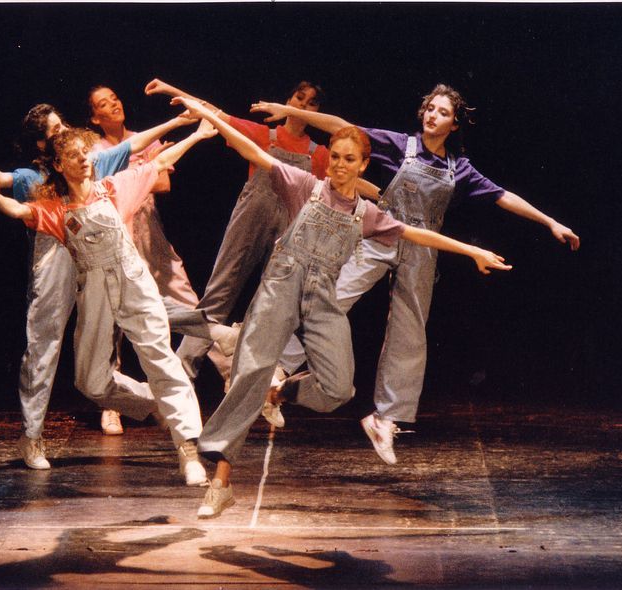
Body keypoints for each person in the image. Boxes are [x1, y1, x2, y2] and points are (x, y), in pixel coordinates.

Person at [173, 97, 511, 518]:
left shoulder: (369, 214)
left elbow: (416, 234)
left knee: (338, 389)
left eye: (349, 158)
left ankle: (276, 386)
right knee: (251, 377)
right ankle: (221, 484)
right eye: (334, 156)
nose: (339, 164)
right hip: (279, 291)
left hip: (321, 301)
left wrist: (470, 250)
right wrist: (207, 113)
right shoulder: (303, 184)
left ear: (363, 165)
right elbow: (252, 150)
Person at [251, 84, 580, 464]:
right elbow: (342, 126)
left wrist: (549, 221)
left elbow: (502, 195)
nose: (432, 115)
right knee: (331, 297)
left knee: (411, 331)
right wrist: (289, 110)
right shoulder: (398, 145)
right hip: (381, 234)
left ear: (454, 124)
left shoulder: (459, 170)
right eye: (429, 108)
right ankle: (277, 366)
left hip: (422, 249)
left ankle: (385, 418)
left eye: (442, 112)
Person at [0, 118, 219, 486]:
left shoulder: (114, 187)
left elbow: (158, 162)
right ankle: (155, 402)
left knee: (159, 357)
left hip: (133, 282)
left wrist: (197, 135)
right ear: (59, 164)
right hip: (95, 290)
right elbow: (20, 210)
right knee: (90, 381)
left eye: (86, 154)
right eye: (73, 156)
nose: (84, 160)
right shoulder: (55, 208)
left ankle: (187, 449)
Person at [145, 79, 378, 388]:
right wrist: (172, 90)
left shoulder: (321, 154)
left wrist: (387, 197)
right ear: (288, 99)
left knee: (267, 309)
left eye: (312, 104)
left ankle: (242, 380)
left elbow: (354, 181)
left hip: (289, 231)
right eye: (299, 98)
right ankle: (179, 375)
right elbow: (217, 115)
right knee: (218, 295)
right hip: (250, 221)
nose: (304, 107)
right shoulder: (265, 136)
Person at [87, 85, 233, 435]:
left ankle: (230, 374)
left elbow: (163, 183)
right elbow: (96, 184)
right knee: (113, 324)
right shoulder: (94, 150)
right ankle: (113, 406)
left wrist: (145, 171)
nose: (114, 104)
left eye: (115, 98)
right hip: (115, 234)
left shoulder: (143, 139)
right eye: (104, 104)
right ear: (95, 117)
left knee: (187, 302)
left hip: (149, 231)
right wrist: (141, 171)